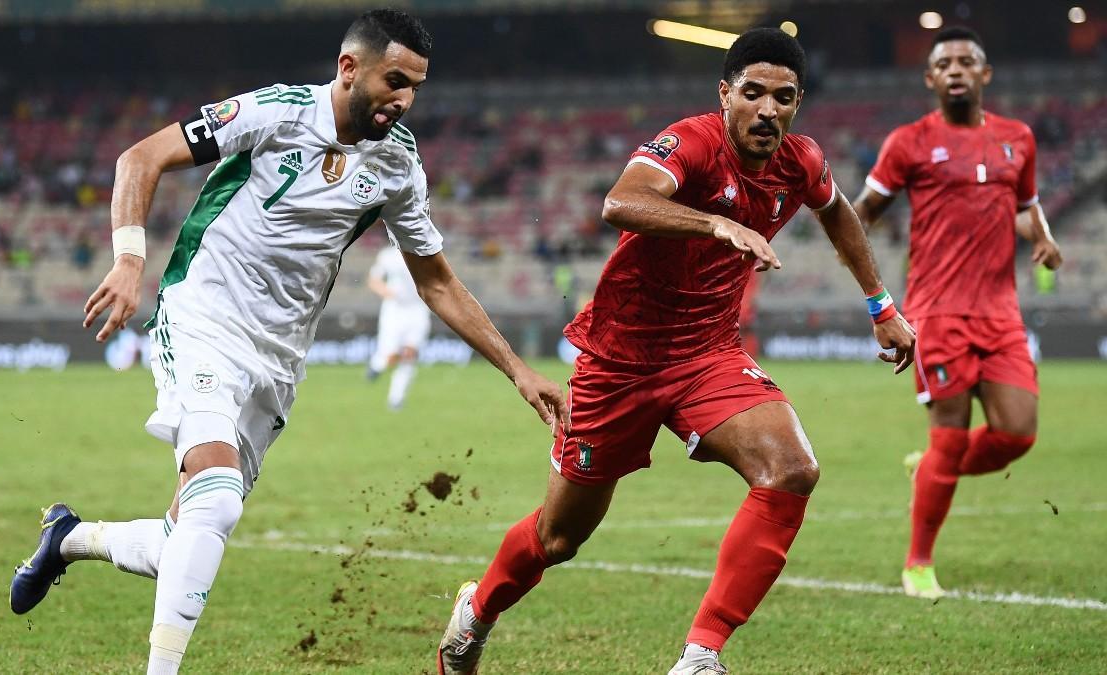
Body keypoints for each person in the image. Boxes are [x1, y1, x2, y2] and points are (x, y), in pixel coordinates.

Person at [8, 10, 569, 674]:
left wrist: (516, 368)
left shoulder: (396, 162)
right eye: (395, 80)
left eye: (415, 86)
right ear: (348, 69)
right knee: (213, 496)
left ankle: (69, 537)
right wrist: (130, 259)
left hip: (278, 358)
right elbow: (143, 157)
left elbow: (438, 282)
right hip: (202, 315)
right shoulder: (274, 112)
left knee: (185, 535)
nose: (405, 100)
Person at [437, 27, 916, 675]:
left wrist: (880, 304)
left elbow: (838, 213)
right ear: (725, 94)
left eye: (784, 97)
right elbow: (621, 201)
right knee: (559, 536)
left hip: (708, 354)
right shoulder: (690, 141)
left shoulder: (801, 161)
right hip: (620, 360)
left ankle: (699, 656)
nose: (767, 111)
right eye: (753, 94)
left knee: (792, 468)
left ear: (798, 103)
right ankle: (476, 614)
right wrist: (715, 221)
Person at [853, 26, 1062, 600]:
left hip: (1000, 313)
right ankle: (918, 563)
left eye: (967, 61)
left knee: (1017, 433)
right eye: (945, 63)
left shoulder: (1018, 139)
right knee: (950, 435)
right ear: (929, 79)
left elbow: (1026, 204)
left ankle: (929, 469)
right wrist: (871, 286)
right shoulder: (909, 142)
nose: (956, 70)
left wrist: (1041, 238)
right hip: (936, 312)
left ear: (985, 75)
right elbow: (860, 213)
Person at [366, 240, 431, 409]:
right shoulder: (387, 256)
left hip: (418, 308)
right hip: (395, 310)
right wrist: (387, 292)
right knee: (391, 356)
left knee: (410, 353)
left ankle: (396, 398)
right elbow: (374, 280)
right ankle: (377, 364)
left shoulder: (423, 251)